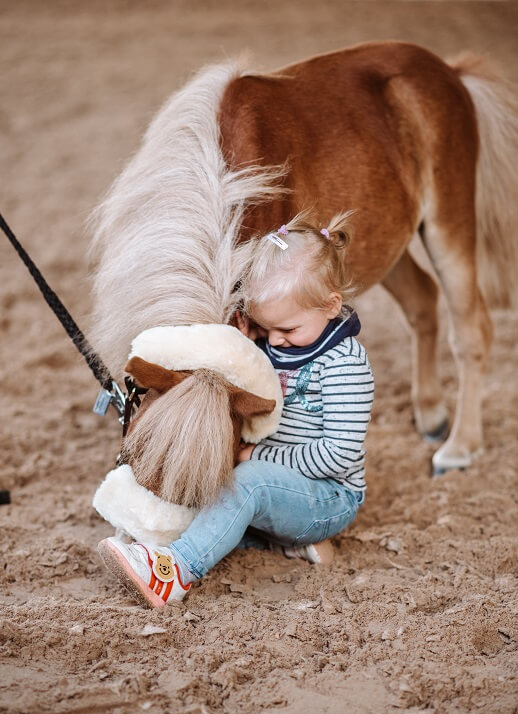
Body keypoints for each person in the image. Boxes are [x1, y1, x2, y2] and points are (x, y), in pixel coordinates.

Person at [97, 212, 374, 609]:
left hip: (329, 498)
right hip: (282, 489)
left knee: (250, 484)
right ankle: (284, 544)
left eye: (287, 331)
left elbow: (338, 455)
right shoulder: (278, 341)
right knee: (231, 484)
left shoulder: (345, 364)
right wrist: (243, 346)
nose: (275, 343)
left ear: (331, 306)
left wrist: (255, 456)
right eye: (265, 329)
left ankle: (175, 571)